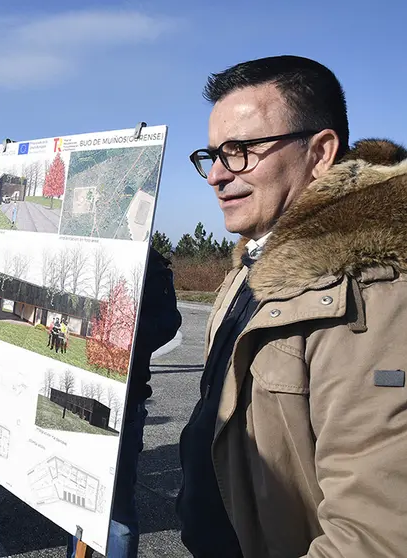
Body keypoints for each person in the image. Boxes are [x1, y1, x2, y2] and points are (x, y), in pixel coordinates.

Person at [179, 55, 407, 558]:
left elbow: (374, 536)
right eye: (213, 154)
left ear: (321, 152)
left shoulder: (371, 292)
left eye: (241, 150)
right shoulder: (255, 265)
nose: (216, 175)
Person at [68, 247, 181, 557]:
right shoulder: (87, 251)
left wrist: (120, 333)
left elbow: (169, 321)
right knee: (75, 501)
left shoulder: (147, 260)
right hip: (77, 392)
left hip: (123, 401)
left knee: (117, 510)